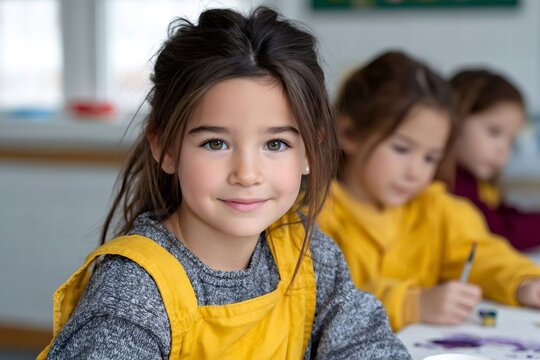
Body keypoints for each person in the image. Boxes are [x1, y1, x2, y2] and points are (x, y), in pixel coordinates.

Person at [38, 7, 410, 359]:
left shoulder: (307, 254)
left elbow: (365, 342)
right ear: (165, 147)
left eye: (276, 144)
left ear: (311, 151)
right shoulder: (134, 292)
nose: (247, 174)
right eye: (215, 143)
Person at [317, 51, 540, 332]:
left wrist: (523, 282)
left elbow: (484, 254)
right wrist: (412, 304)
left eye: (430, 158)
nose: (415, 172)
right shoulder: (313, 215)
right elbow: (318, 304)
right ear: (348, 133)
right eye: (402, 149)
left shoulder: (440, 209)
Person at [450, 69, 540, 251]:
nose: (503, 149)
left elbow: (499, 214)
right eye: (494, 131)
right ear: (456, 119)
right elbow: (501, 233)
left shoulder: (473, 181)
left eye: (511, 141)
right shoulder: (453, 184)